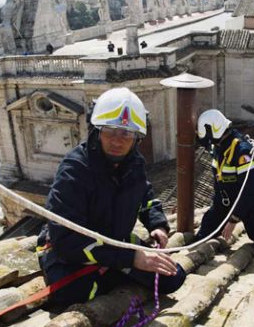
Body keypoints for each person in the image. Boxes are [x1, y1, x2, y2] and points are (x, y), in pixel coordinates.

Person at [37, 87, 186, 310]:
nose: (118, 140)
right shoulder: (74, 170)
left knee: (173, 277)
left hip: (117, 242)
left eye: (126, 133)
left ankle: (112, 272)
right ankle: (114, 273)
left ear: (136, 138)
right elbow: (66, 241)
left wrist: (158, 224)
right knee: (69, 293)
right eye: (110, 131)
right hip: (76, 250)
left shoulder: (134, 163)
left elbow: (144, 195)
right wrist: (130, 260)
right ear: (96, 130)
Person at [193, 109, 254, 253]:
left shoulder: (242, 152)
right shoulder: (218, 145)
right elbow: (205, 142)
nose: (208, 142)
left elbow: (249, 191)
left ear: (213, 131)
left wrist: (233, 220)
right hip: (222, 203)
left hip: (247, 204)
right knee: (201, 237)